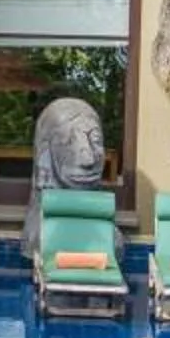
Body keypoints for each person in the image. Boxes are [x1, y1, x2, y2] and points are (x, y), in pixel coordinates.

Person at [21, 94, 107, 260]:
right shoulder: (40, 237)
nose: (88, 160)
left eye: (95, 140)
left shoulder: (110, 239)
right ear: (44, 152)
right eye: (69, 141)